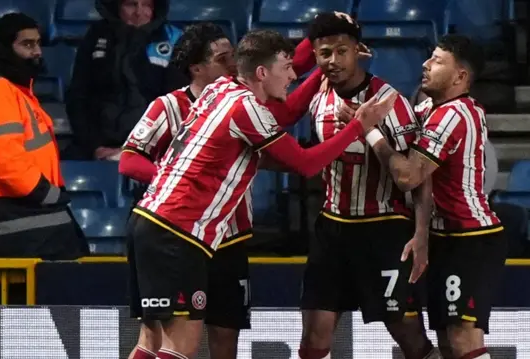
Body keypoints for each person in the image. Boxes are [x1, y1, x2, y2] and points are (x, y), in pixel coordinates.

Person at [126, 28, 396, 359]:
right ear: (262, 73)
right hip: (179, 231)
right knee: (178, 345)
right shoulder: (246, 107)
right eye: (287, 68)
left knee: (150, 342)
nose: (294, 74)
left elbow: (262, 150)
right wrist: (359, 126)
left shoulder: (218, 90)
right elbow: (305, 164)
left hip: (149, 222)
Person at [119, 22, 321, 359]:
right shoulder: (171, 106)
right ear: (197, 68)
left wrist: (318, 45)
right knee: (167, 339)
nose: (232, 63)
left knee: (223, 337)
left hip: (229, 236)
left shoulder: (233, 97)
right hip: (182, 227)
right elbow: (128, 161)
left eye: (234, 56)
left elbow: (275, 74)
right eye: (223, 58)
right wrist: (179, 180)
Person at [298, 13, 437, 359]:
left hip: (384, 229)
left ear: (359, 51)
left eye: (341, 51)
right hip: (332, 228)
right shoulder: (316, 99)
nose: (333, 61)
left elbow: (419, 176)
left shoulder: (390, 101)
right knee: (314, 336)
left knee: (409, 335)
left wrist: (421, 235)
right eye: (324, 53)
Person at [363, 35, 505, 359]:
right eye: (429, 57)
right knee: (446, 342)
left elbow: (408, 175)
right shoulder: (428, 108)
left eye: (438, 61)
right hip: (444, 237)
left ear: (460, 77)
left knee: (463, 339)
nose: (426, 64)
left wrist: (370, 132)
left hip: (471, 237)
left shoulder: (454, 114)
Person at [0, 12, 87, 260]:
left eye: (38, 43)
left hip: (12, 212)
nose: (37, 52)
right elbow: (3, 157)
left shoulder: (14, 91)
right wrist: (45, 193)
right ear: (4, 48)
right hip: (2, 215)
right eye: (27, 44)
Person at [65, 0, 186, 160]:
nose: (139, 12)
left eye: (147, 5)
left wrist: (146, 148)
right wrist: (95, 147)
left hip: (154, 149)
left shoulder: (174, 39)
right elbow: (78, 98)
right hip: (97, 147)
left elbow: (178, 104)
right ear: (117, 7)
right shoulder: (95, 36)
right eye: (131, 4)